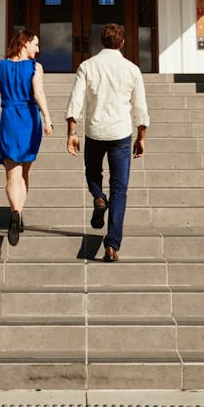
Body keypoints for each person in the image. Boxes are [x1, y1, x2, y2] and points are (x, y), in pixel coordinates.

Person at [66, 23, 149, 262]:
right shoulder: (132, 69)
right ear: (122, 43)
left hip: (95, 132)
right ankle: (112, 245)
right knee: (120, 189)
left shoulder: (87, 66)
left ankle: (98, 196)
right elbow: (140, 107)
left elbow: (76, 101)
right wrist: (141, 136)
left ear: (100, 42)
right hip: (121, 134)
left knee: (93, 174)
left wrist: (72, 132)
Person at [0, 29, 53, 246]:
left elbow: (2, 92)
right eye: (35, 44)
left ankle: (15, 212)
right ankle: (19, 212)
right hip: (29, 119)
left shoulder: (1, 66)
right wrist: (47, 118)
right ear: (25, 43)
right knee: (25, 172)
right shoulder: (34, 67)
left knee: (12, 174)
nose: (37, 50)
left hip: (9, 117)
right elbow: (38, 93)